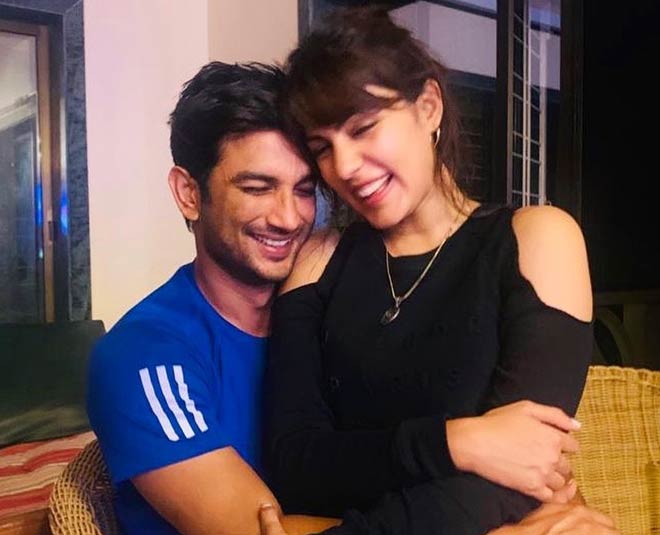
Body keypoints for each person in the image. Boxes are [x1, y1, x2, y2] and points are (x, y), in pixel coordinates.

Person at [262, 7, 619, 535]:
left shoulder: (536, 240)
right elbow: (297, 466)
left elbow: (523, 475)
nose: (345, 167)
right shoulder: (317, 262)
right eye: (323, 149)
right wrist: (458, 442)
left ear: (428, 106)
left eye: (364, 128)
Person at [86, 61, 338, 535]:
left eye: (304, 191)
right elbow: (259, 530)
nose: (289, 218)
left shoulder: (326, 316)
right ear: (188, 193)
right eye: (257, 188)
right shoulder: (143, 357)